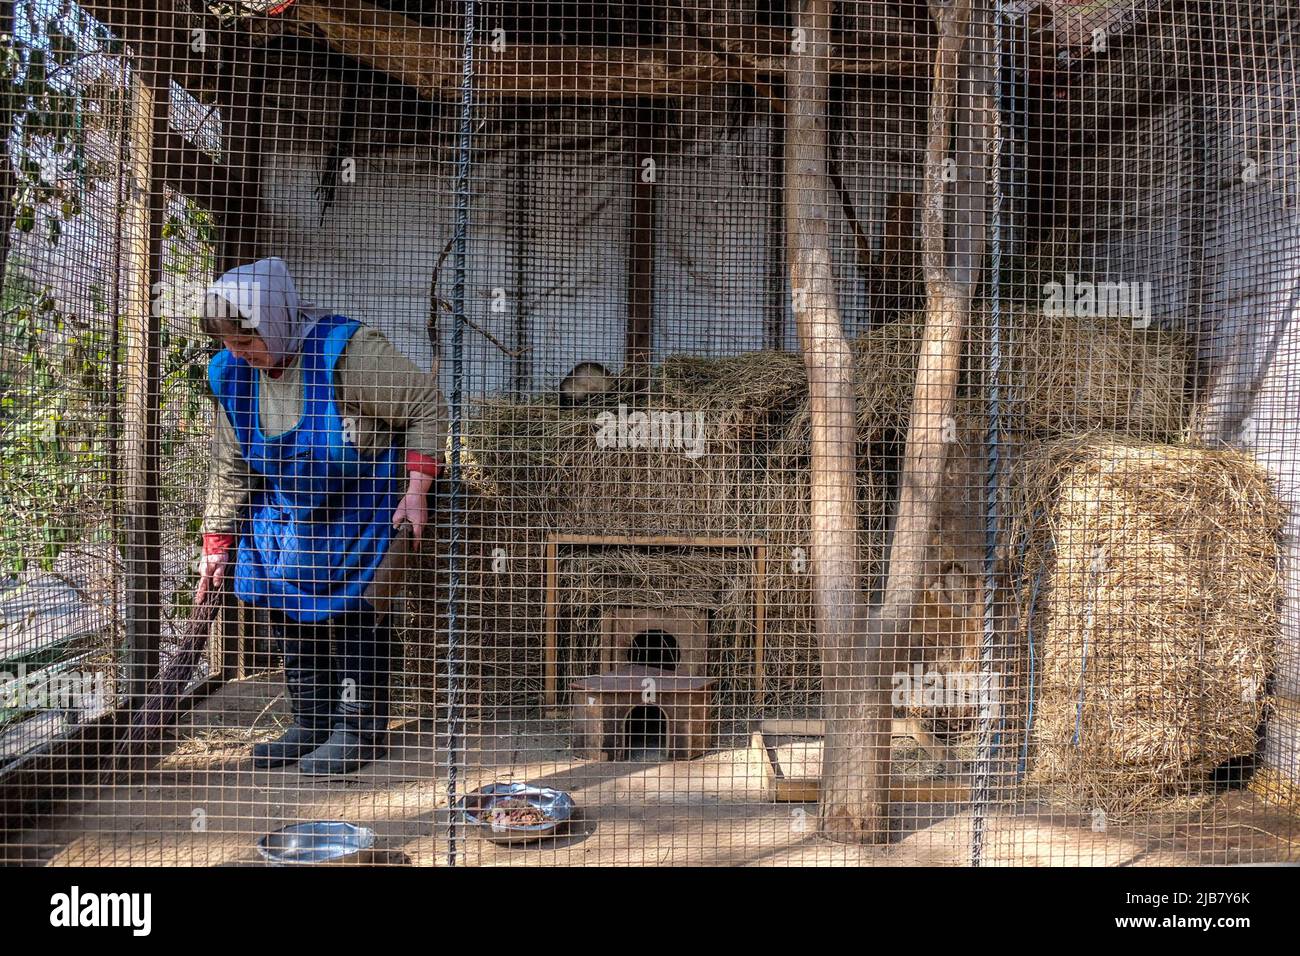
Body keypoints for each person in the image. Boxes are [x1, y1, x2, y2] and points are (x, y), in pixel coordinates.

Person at [195, 257, 445, 775]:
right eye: (230, 344)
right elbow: (230, 460)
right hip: (288, 515)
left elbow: (425, 402)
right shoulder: (231, 374)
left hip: (357, 506)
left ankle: (358, 730)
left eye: (247, 341)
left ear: (275, 318)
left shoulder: (344, 351)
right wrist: (216, 542)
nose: (238, 354)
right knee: (287, 609)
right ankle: (311, 722)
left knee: (356, 614)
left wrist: (417, 490)